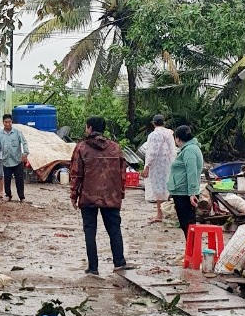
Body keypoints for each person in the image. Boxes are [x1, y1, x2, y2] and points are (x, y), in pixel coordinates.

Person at [70, 116, 132, 275]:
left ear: (89, 128)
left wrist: (73, 195)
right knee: (114, 230)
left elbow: (76, 174)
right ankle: (119, 263)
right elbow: (122, 174)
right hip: (111, 196)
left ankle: (93, 268)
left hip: (88, 196)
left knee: (90, 232)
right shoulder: (115, 148)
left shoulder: (81, 148)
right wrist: (121, 194)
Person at [168, 125, 204, 238]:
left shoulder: (189, 151)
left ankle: (192, 252)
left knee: (188, 225)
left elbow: (192, 171)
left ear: (178, 138)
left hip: (184, 193)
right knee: (187, 225)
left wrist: (192, 193)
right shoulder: (190, 149)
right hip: (181, 191)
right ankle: (190, 252)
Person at [142, 114, 176, 223]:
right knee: (166, 188)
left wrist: (147, 166)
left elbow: (152, 152)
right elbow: (173, 149)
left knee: (158, 190)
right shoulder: (169, 133)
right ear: (164, 123)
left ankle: (159, 214)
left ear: (153, 123)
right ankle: (166, 212)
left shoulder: (154, 135)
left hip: (157, 165)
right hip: (168, 163)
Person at [0, 114, 28, 202]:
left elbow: (24, 143)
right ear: (3, 123)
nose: (7, 124)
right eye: (6, 122)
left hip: (17, 160)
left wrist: (25, 153)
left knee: (19, 180)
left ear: (12, 122)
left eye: (9, 122)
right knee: (7, 179)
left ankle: (21, 197)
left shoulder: (17, 132)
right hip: (6, 160)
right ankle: (8, 195)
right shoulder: (0, 134)